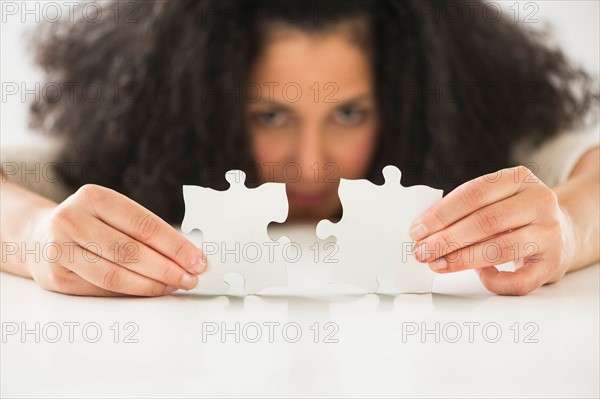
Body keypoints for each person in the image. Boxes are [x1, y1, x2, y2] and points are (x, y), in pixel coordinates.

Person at [1, 0, 598, 297]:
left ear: (407, 98)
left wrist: (568, 224)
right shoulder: (127, 145)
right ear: (204, 102)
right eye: (271, 115)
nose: (311, 162)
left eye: (348, 112)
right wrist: (34, 238)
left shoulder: (480, 137)